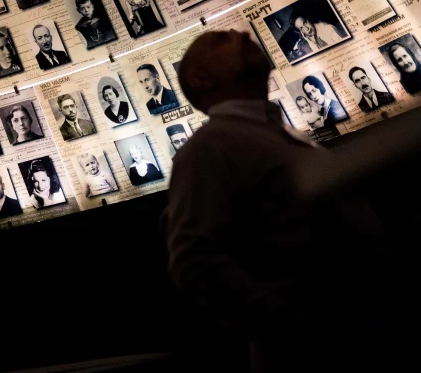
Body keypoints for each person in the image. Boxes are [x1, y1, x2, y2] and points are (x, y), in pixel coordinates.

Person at [166, 29, 399, 369]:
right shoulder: (206, 148)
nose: (241, 32)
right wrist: (291, 327)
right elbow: (193, 260)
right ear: (202, 79)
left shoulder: (275, 133)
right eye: (220, 42)